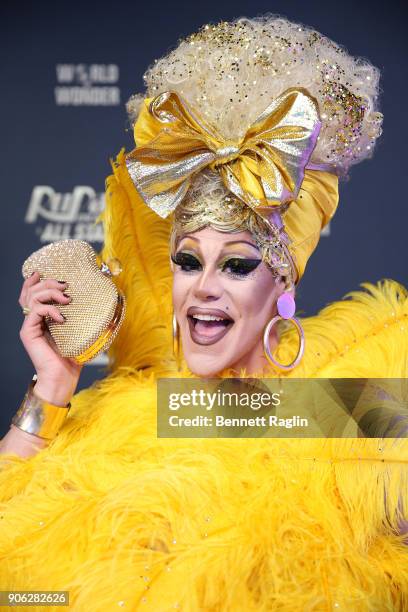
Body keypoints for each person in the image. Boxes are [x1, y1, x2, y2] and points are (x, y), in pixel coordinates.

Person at [1, 15, 408, 610]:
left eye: (238, 266)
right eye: (189, 262)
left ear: (283, 282)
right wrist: (55, 384)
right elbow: (20, 580)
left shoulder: (352, 408)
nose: (204, 289)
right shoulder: (132, 408)